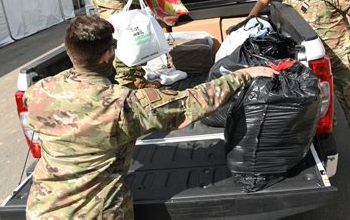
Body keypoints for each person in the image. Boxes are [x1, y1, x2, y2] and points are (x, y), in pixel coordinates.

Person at [25, 15, 277, 219]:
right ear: (107, 55)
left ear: (70, 52)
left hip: (42, 209)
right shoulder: (122, 104)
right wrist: (244, 75)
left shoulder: (38, 91)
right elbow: (192, 101)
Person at [249, 0, 350, 186]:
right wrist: (250, 18)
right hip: (316, 59)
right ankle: (326, 150)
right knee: (321, 107)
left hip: (341, 56)